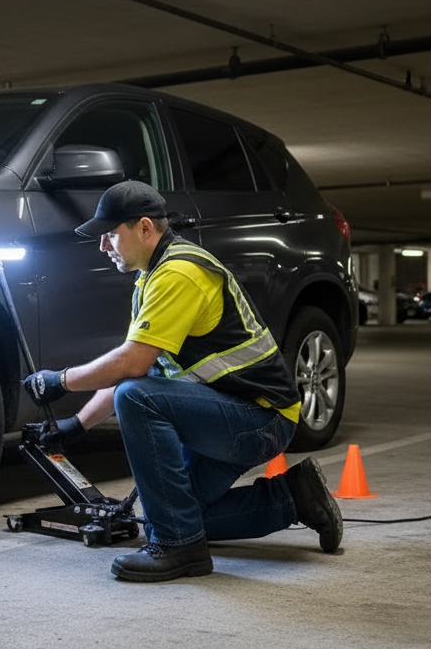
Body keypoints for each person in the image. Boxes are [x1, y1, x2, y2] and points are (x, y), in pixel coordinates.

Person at [23, 180, 343, 582]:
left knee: (137, 400)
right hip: (234, 411)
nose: (103, 246)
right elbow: (141, 364)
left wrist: (60, 380)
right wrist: (76, 427)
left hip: (260, 419)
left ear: (144, 228)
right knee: (180, 512)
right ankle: (295, 498)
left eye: (109, 234)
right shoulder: (154, 275)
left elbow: (132, 365)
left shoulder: (179, 273)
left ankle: (179, 549)